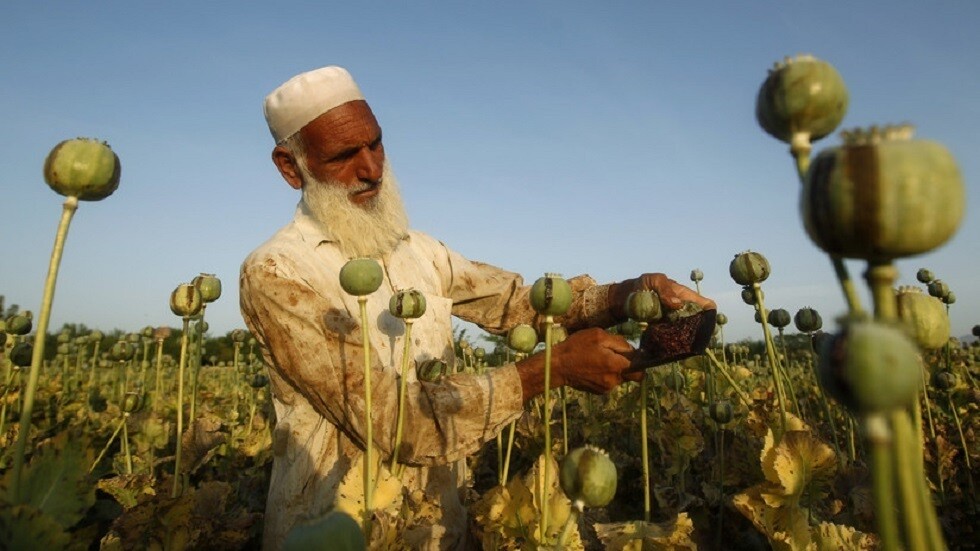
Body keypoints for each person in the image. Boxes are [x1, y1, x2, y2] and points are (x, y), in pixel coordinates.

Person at [239, 66, 716, 550]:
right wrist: (548, 371)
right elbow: (393, 419)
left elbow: (522, 306)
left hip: (440, 526)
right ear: (290, 166)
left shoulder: (418, 250)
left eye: (376, 144)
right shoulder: (278, 273)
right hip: (335, 532)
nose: (372, 169)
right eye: (344, 155)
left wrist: (629, 295)